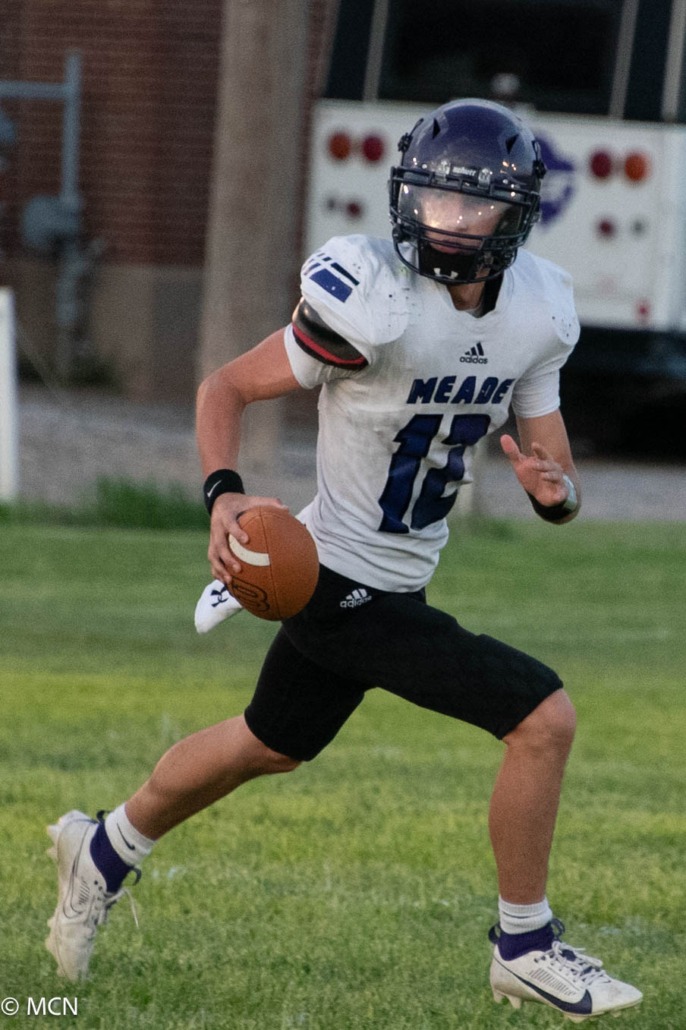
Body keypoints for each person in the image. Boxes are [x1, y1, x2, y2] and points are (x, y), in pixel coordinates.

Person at [45, 98, 642, 1020]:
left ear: (514, 215)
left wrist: (553, 490)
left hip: (402, 576)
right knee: (542, 717)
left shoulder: (540, 311)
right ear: (406, 195)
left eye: (471, 205)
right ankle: (525, 947)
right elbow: (225, 387)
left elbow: (555, 477)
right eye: (434, 199)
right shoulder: (375, 300)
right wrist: (224, 492)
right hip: (331, 578)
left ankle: (103, 847)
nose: (447, 222)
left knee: (269, 743)